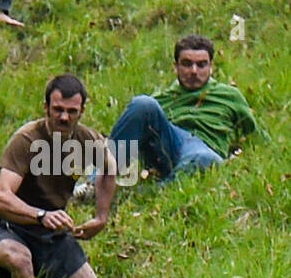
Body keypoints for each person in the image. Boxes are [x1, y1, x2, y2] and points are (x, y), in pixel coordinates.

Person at [0, 74, 116, 278]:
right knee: (18, 259)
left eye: (71, 111)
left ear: (83, 110)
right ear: (46, 108)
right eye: (57, 109)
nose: (64, 117)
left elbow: (110, 169)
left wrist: (101, 217)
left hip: (51, 234)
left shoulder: (88, 140)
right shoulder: (26, 139)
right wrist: (40, 214)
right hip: (7, 227)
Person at [108, 36, 258, 183]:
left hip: (205, 149)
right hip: (169, 145)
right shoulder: (161, 100)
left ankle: (159, 193)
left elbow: (256, 136)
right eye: (187, 64)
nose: (193, 71)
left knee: (204, 158)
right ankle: (96, 182)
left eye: (201, 65)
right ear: (176, 67)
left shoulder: (229, 95)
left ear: (211, 67)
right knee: (143, 103)